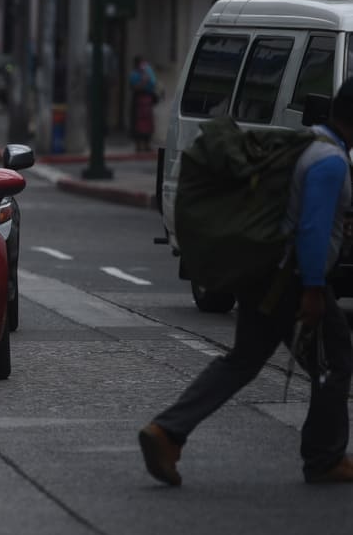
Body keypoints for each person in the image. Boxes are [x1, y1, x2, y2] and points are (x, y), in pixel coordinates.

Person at [138, 77, 353, 487]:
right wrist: (312, 289)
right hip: (292, 279)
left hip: (267, 270)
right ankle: (325, 457)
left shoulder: (308, 143)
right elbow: (310, 229)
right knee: (336, 360)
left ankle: (168, 431)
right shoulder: (330, 162)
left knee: (245, 360)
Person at [129, 55, 159, 152]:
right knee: (137, 123)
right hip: (138, 101)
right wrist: (143, 80)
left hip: (147, 100)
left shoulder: (148, 73)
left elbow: (153, 83)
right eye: (142, 63)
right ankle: (138, 145)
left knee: (148, 123)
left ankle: (147, 144)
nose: (144, 65)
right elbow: (135, 87)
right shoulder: (134, 74)